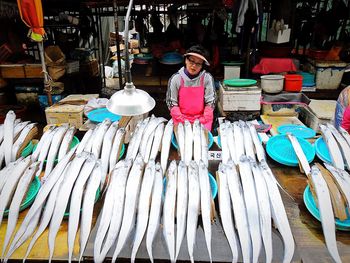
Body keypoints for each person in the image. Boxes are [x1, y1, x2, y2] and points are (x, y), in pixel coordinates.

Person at [166, 45, 216, 131]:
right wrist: (182, 120)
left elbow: (211, 102)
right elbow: (171, 103)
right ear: (185, 60)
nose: (193, 66)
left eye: (198, 63)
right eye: (191, 61)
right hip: (180, 119)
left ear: (202, 66)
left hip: (202, 119)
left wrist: (204, 119)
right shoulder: (176, 78)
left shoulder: (207, 78)